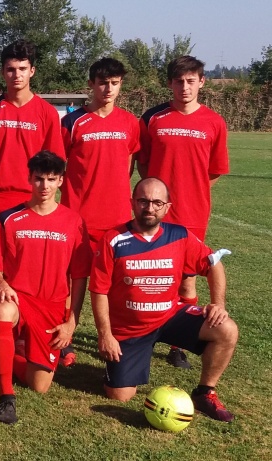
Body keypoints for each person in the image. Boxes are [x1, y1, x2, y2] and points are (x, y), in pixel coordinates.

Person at [90, 178, 236, 422]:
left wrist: (218, 304)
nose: (150, 208)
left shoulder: (179, 236)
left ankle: (205, 393)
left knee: (226, 329)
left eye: (157, 203)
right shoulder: (113, 239)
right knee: (119, 395)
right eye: (143, 201)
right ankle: (130, 363)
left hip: (169, 315)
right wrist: (106, 335)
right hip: (129, 328)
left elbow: (214, 263)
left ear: (167, 207)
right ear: (132, 203)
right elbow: (99, 291)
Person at [0, 39, 66, 364]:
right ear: (2, 72)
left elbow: (53, 161)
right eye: (11, 69)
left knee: (27, 273)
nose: (16, 74)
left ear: (32, 71)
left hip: (29, 204)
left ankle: (26, 335)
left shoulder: (46, 113)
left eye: (22, 68)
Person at [135, 56, 230, 370]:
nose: (185, 87)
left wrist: (192, 191)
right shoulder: (153, 118)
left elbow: (214, 171)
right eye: (179, 81)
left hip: (192, 213)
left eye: (191, 81)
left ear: (202, 82)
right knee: (147, 277)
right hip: (155, 213)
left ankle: (177, 346)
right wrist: (158, 199)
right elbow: (144, 165)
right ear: (169, 83)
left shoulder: (214, 122)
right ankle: (143, 335)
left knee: (186, 282)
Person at [0, 151, 90, 424]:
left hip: (51, 307)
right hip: (19, 299)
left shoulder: (74, 222)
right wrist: (2, 284)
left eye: (51, 179)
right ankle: (6, 396)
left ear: (61, 181)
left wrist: (71, 323)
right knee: (2, 310)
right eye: (39, 179)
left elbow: (79, 277)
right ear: (29, 178)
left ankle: (4, 354)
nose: (45, 186)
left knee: (39, 385)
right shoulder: (8, 218)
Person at [58, 57, 140, 367]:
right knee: (71, 281)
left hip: (117, 220)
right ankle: (65, 337)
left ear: (121, 85)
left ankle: (116, 337)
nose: (108, 89)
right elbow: (59, 167)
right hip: (78, 219)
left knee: (116, 285)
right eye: (103, 83)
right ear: (91, 84)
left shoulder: (130, 122)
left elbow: (129, 165)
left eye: (115, 83)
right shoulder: (72, 122)